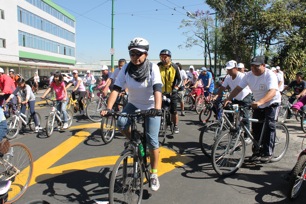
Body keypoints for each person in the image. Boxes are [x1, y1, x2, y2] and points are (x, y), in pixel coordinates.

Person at [101, 37, 162, 191]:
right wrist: (108, 108)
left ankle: (154, 174)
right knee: (121, 123)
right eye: (132, 54)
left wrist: (158, 108)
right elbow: (116, 88)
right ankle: (136, 142)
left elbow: (157, 90)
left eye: (138, 54)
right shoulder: (126, 68)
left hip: (151, 105)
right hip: (133, 104)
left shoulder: (152, 68)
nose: (135, 57)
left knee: (153, 140)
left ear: (146, 54)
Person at [224, 55, 281, 163]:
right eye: (252, 66)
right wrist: (229, 98)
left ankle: (268, 153)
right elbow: (238, 88)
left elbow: (272, 92)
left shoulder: (269, 75)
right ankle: (257, 152)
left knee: (269, 125)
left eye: (257, 66)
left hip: (272, 102)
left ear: (263, 65)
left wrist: (260, 102)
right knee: (256, 128)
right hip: (258, 104)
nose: (254, 69)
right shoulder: (248, 75)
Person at [213, 60, 253, 145]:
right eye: (227, 69)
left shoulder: (242, 76)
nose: (228, 71)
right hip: (236, 97)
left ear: (235, 68)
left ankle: (247, 136)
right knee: (231, 111)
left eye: (230, 69)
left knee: (245, 116)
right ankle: (235, 130)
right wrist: (216, 95)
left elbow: (239, 88)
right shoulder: (228, 77)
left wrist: (229, 97)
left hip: (246, 97)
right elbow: (223, 87)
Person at [158, 49, 182, 134]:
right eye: (161, 57)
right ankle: (160, 123)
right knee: (158, 109)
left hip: (172, 92)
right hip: (160, 92)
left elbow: (180, 79)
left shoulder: (175, 67)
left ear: (169, 57)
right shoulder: (158, 66)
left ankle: (175, 126)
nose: (163, 59)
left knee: (174, 111)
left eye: (165, 57)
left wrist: (176, 87)